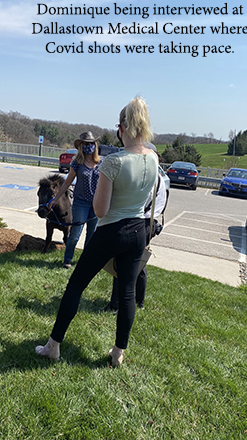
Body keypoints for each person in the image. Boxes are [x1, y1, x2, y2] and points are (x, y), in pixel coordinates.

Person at [35, 97, 158, 367]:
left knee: (75, 285)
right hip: (138, 231)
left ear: (122, 127)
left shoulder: (113, 163)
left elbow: (100, 210)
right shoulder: (153, 158)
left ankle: (53, 346)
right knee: (127, 293)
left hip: (112, 230)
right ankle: (118, 353)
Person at [104, 170, 167, 313]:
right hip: (147, 223)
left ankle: (116, 304)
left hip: (137, 222)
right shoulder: (159, 178)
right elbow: (160, 205)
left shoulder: (148, 176)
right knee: (138, 262)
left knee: (123, 262)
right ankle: (139, 300)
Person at [48, 132, 102, 268]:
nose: (88, 146)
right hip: (81, 204)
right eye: (85, 144)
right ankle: (67, 259)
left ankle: (86, 260)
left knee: (92, 235)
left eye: (90, 143)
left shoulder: (100, 163)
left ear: (95, 145)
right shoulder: (77, 163)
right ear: (81, 146)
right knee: (75, 235)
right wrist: (56, 198)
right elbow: (67, 183)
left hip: (95, 204)